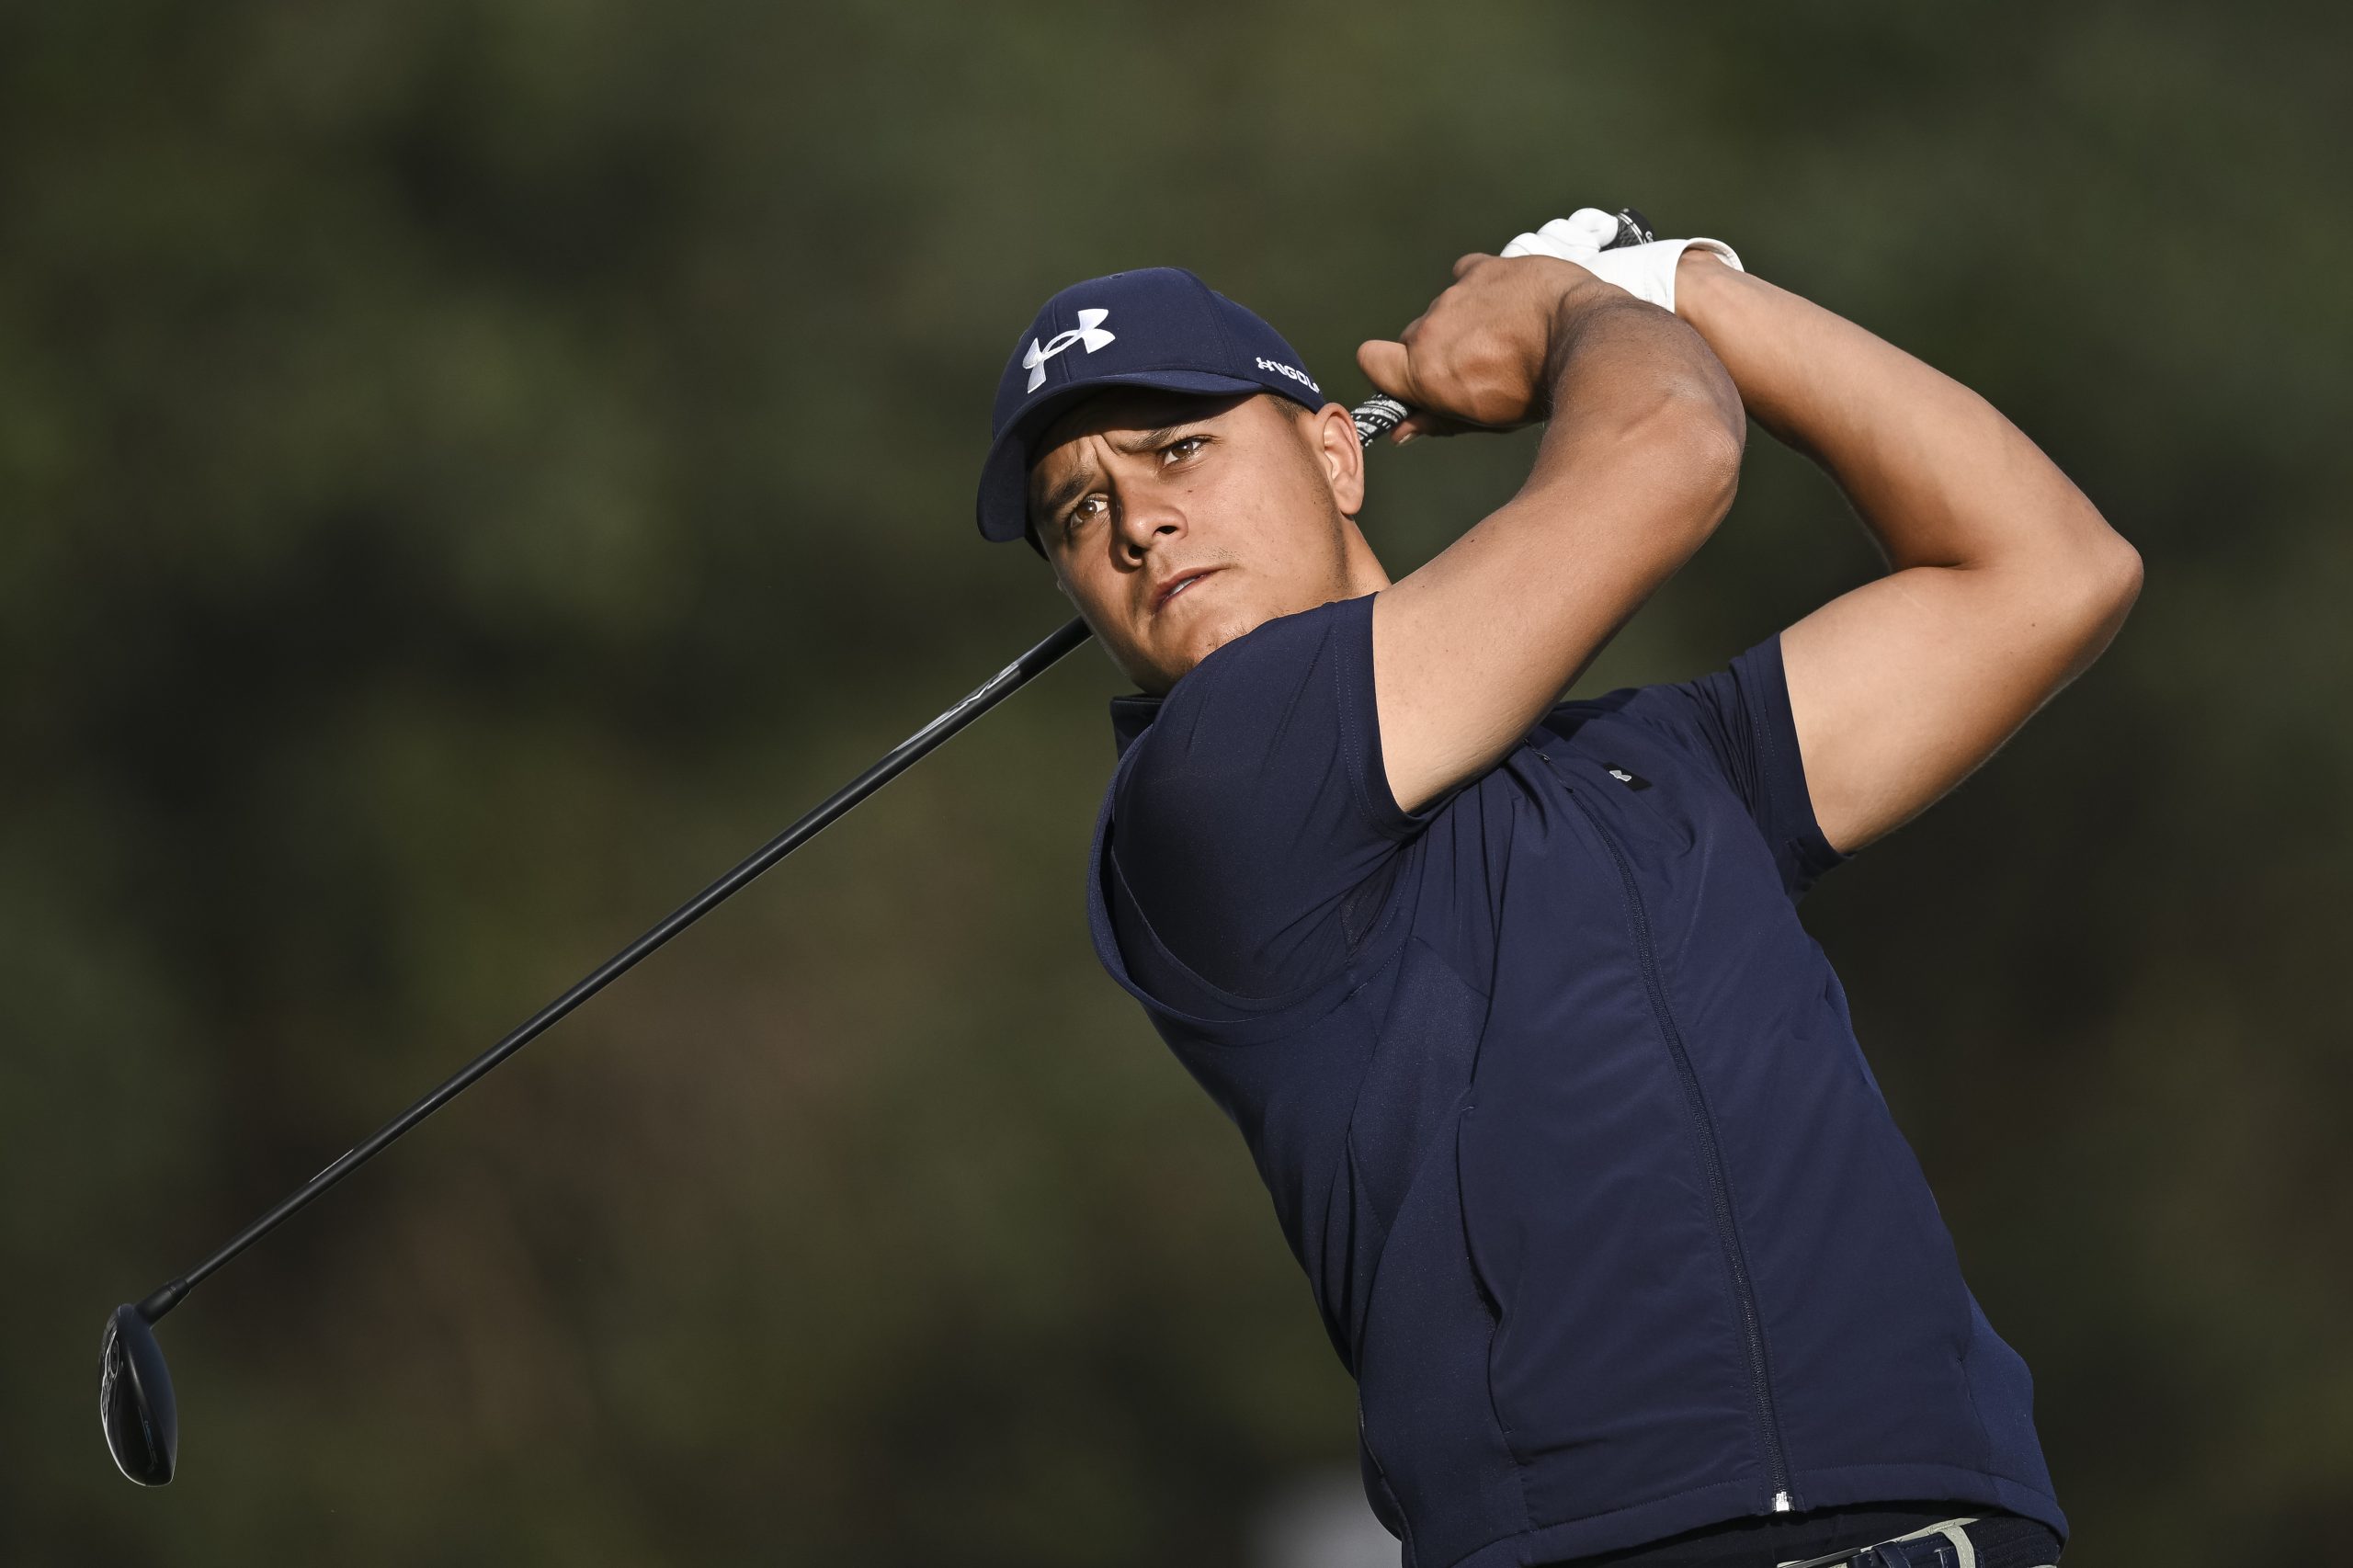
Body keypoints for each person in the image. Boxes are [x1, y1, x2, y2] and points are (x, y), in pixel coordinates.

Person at [970, 211, 2139, 1568]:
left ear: (1338, 452)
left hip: (1946, 1515)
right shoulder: (1212, 785)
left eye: (1178, 448)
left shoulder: (1669, 758)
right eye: (1078, 510)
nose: (1137, 522)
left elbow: (2052, 566)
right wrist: (1575, 314)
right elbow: (1672, 449)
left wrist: (1671, 283)